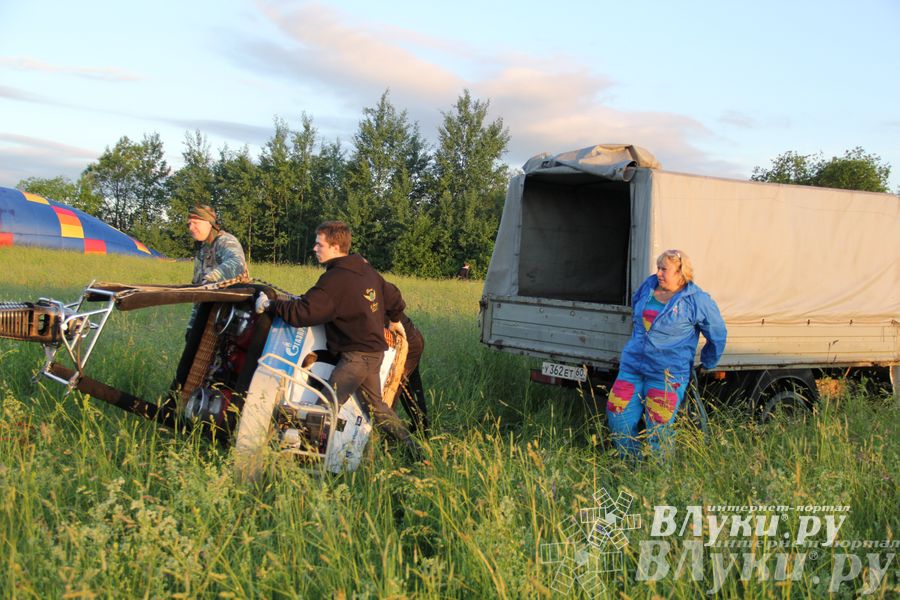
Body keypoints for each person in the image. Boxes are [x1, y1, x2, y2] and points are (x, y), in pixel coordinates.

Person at [254, 220, 420, 457]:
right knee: (377, 410)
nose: (314, 249)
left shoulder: (334, 280)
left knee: (325, 407)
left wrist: (269, 305)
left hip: (356, 357)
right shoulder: (365, 269)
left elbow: (303, 313)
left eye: (319, 244)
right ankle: (415, 450)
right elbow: (391, 294)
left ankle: (306, 460)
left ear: (334, 247)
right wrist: (395, 318)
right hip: (374, 353)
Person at [606, 249, 727, 458]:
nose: (658, 273)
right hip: (632, 368)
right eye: (658, 268)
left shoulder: (696, 300)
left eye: (664, 269)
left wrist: (708, 361)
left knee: (658, 430)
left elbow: (717, 333)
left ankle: (657, 479)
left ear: (681, 272)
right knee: (617, 417)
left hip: (667, 376)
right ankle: (630, 470)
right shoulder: (648, 287)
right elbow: (637, 313)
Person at [186, 204, 248, 334]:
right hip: (205, 312)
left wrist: (211, 279)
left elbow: (237, 263)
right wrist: (192, 326)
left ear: (210, 223)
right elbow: (198, 288)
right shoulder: (202, 249)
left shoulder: (224, 241)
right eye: (189, 224)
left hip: (226, 315)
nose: (191, 228)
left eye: (196, 223)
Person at [383, 287, 429, 435]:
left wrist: (394, 319)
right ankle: (421, 430)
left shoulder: (368, 280)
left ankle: (394, 436)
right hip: (407, 337)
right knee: (408, 389)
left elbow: (395, 296)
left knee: (391, 391)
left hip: (406, 342)